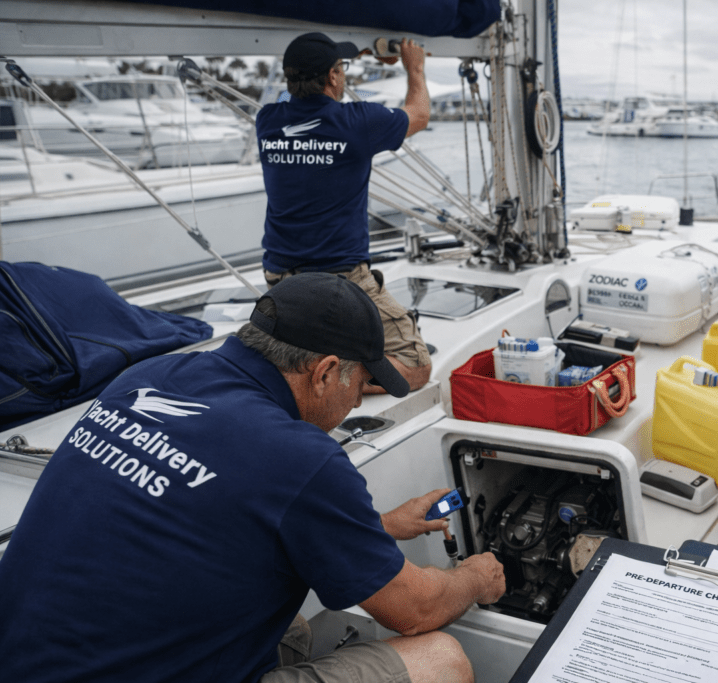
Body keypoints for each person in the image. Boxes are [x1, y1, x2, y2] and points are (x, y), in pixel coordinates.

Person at [0, 273, 506, 683]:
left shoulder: (144, 379)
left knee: (291, 630)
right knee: (441, 660)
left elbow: (216, 504)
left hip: (25, 661)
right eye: (361, 381)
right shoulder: (300, 456)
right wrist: (474, 579)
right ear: (326, 371)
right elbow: (415, 610)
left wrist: (380, 525)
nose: (357, 400)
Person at [256, 32, 432, 394]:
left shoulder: (268, 121)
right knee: (415, 366)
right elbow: (420, 114)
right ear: (334, 77)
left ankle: (303, 364)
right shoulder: (359, 122)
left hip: (281, 280)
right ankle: (319, 384)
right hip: (340, 281)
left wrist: (365, 50)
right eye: (341, 68)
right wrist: (414, 68)